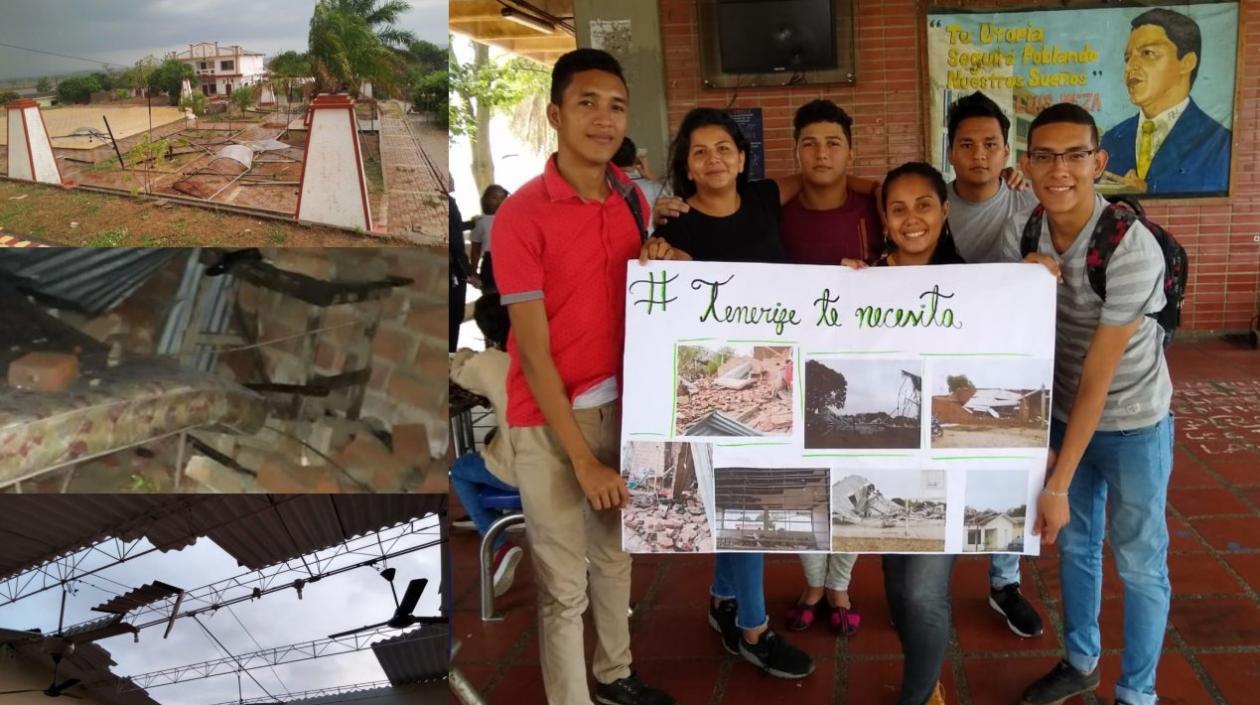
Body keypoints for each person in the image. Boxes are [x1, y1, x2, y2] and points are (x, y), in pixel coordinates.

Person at [491, 49, 674, 705]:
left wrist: (660, 258)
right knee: (563, 585)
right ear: (555, 114)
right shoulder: (522, 214)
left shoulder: (630, 197)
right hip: (546, 421)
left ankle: (615, 672)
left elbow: (638, 296)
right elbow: (534, 355)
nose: (603, 119)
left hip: (619, 409)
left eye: (616, 106)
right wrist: (582, 460)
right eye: (587, 103)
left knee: (616, 554)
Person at [1006, 104, 1173, 705]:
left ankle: (1138, 692)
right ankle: (1080, 662)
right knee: (1076, 546)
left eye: (1075, 155)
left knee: (1138, 560)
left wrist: (1056, 482)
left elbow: (1099, 377)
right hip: (1060, 415)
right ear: (1026, 165)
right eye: (1044, 155)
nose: (1059, 170)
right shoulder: (1023, 231)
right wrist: (1021, 280)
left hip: (1134, 422)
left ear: (1098, 163)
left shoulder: (1132, 248)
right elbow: (1011, 330)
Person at [640, 107, 814, 681]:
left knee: (741, 501)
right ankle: (754, 631)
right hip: (717, 389)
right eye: (699, 151)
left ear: (742, 158)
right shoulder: (675, 228)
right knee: (749, 505)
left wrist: (882, 184)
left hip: (775, 380)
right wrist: (656, 246)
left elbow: (829, 178)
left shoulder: (765, 198)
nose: (713, 159)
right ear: (685, 166)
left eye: (723, 148)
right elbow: (654, 284)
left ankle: (721, 598)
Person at [943, 91, 1045, 639]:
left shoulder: (1028, 207)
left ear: (1008, 151)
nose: (979, 155)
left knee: (1009, 467)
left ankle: (1005, 581)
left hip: (1007, 357)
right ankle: (927, 580)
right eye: (966, 144)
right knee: (944, 462)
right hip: (944, 359)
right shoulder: (928, 203)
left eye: (990, 144)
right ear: (950, 151)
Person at [1099, 8, 1231, 194]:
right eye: (1127, 58)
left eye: (1148, 53)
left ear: (1187, 62)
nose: (1131, 66)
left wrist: (1148, 190)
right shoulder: (1112, 139)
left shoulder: (1219, 143)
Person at [450, 293, 523, 597]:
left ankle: (496, 539)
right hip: (571, 467)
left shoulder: (491, 362)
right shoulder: (547, 349)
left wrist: (467, 351)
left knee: (459, 469)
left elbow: (458, 372)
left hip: (521, 474)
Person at [779, 99, 882, 266]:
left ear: (850, 155)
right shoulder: (774, 217)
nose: (821, 154)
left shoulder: (877, 209)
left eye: (833, 143)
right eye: (809, 144)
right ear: (796, 153)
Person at [613, 137, 663, 232]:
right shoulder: (655, 187)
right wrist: (651, 177)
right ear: (636, 160)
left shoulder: (603, 189)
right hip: (652, 243)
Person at [469, 184, 509, 293]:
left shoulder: (513, 217)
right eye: (494, 198)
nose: (499, 201)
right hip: (490, 263)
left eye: (502, 198)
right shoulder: (481, 221)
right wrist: (473, 271)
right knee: (491, 297)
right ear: (486, 200)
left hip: (510, 261)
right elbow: (475, 250)